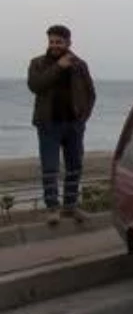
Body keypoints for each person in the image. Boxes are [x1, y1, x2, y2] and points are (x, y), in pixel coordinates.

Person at [26, 24, 96, 225]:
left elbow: (91, 93)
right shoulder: (38, 63)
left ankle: (70, 207)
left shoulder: (80, 65)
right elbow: (35, 86)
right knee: (50, 167)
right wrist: (58, 67)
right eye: (52, 41)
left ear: (68, 43)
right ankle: (52, 209)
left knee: (75, 166)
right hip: (48, 125)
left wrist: (83, 119)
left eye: (59, 42)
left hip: (73, 124)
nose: (55, 45)